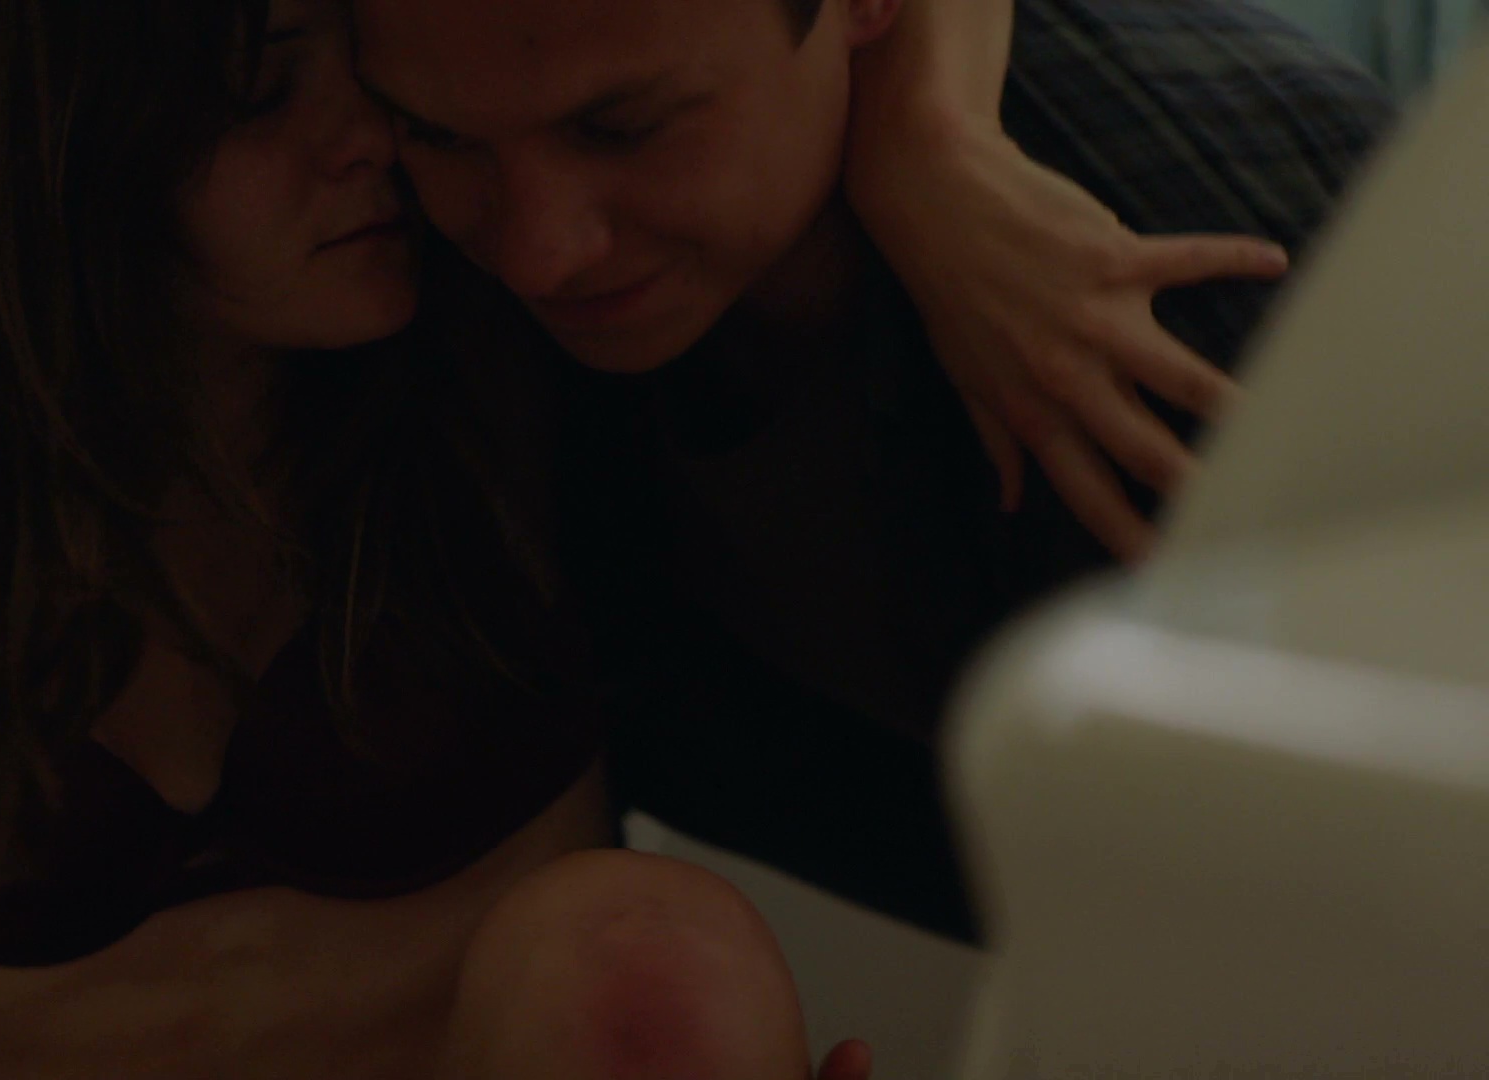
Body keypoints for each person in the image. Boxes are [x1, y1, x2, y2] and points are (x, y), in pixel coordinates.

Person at [0, 1, 874, 1078]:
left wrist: (937, 151)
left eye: (367, 67)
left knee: (649, 960)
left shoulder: (517, 316)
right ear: (56, 135)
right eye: (259, 92)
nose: (370, 139)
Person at [345, 0, 1399, 947]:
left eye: (623, 127)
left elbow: (1358, 933)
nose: (539, 254)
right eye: (436, 135)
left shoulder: (1168, 293)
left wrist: (928, 131)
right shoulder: (404, 243)